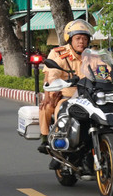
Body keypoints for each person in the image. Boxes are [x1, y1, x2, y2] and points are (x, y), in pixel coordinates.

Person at [38, 19, 94, 154]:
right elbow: (49, 75)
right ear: (70, 39)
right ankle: (50, 141)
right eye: (78, 38)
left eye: (84, 39)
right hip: (63, 94)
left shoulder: (92, 56)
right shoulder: (59, 54)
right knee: (49, 107)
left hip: (87, 95)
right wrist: (48, 95)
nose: (81, 42)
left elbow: (105, 71)